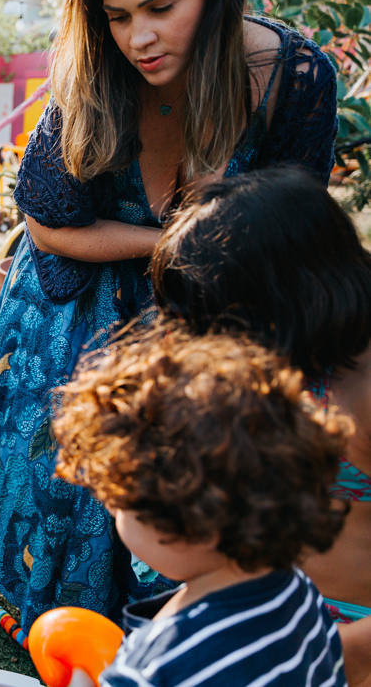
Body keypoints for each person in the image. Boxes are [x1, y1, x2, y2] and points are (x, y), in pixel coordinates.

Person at [0, 0, 338, 635]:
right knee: (39, 461)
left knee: (172, 476)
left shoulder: (292, 75)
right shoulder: (93, 66)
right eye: (117, 16)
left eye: (161, 7)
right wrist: (172, 244)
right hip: (75, 289)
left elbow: (290, 224)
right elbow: (46, 223)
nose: (137, 38)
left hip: (206, 300)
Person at [151, 166, 371, 686]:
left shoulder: (361, 396)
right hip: (278, 611)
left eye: (216, 327)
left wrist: (336, 654)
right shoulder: (297, 364)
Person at [53, 326, 349, 686]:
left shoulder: (156, 665)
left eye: (118, 501)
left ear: (185, 526)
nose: (110, 508)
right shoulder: (298, 591)